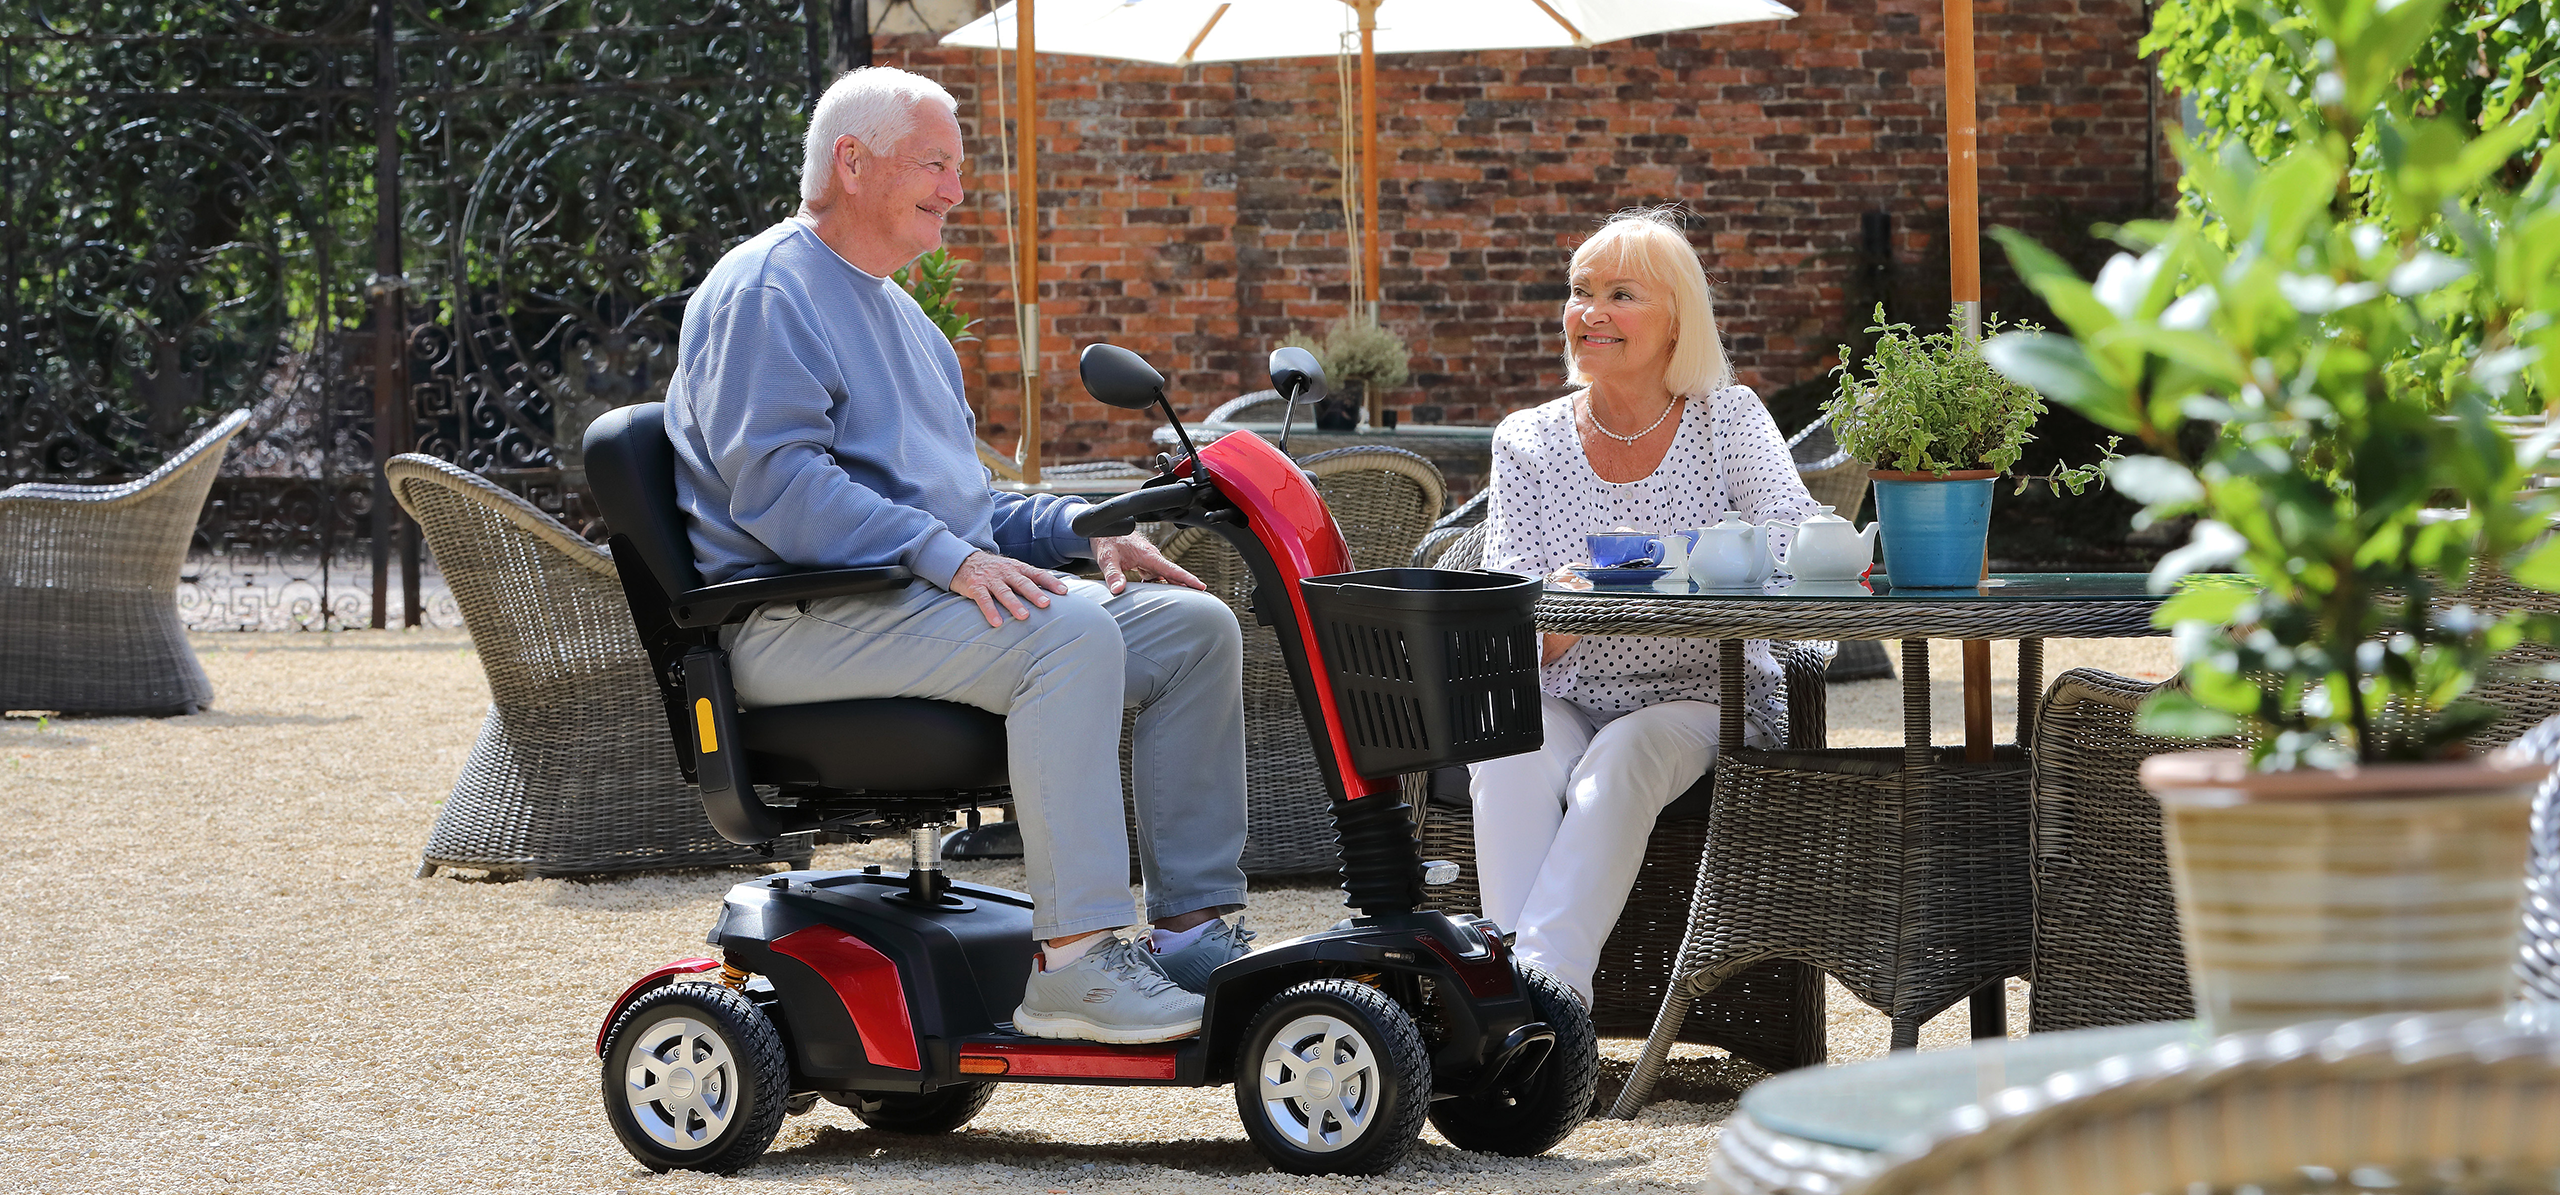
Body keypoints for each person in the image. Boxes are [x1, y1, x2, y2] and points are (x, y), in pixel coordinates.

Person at [664, 67, 1253, 1045]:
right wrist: (944, 555)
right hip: (788, 622)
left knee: (1193, 631)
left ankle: (1193, 935)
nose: (956, 189)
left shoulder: (906, 322)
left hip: (905, 605)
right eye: (935, 163)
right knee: (1063, 633)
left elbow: (965, 502)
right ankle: (1076, 964)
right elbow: (776, 487)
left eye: (958, 167)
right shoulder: (767, 288)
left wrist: (1079, 526)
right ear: (851, 163)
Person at [1468, 207, 1821, 1007]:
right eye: (1580, 291)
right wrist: (1555, 617)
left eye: (1621, 294)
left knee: (1624, 754)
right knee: (1504, 751)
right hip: (1565, 686)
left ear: (1675, 321)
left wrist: (1672, 566)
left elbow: (1800, 541)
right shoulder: (1527, 439)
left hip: (1705, 695)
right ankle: (1512, 1004)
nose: (1591, 312)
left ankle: (1539, 995)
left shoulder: (1727, 418)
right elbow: (1506, 613)